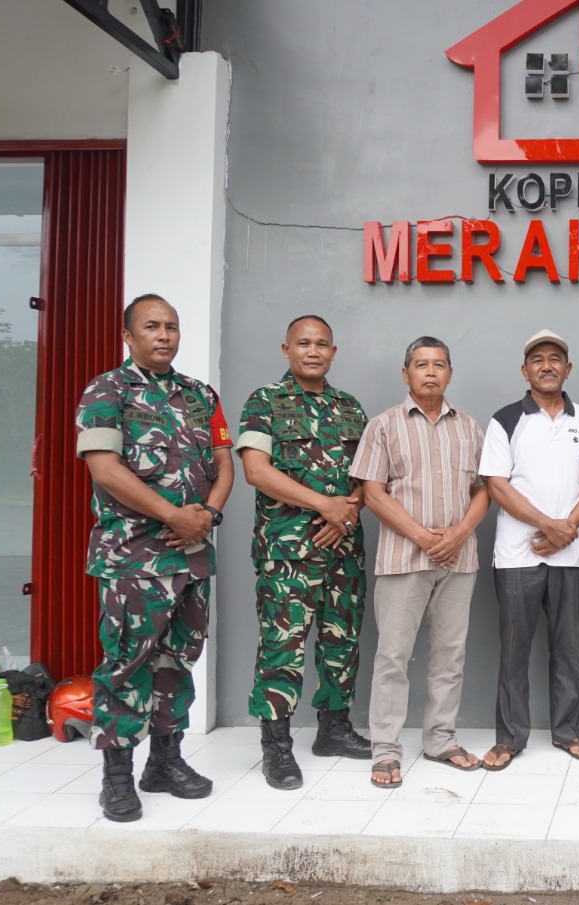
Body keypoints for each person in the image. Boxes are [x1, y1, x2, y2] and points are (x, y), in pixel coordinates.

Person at [74, 293, 235, 822]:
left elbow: (223, 464)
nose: (164, 335)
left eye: (171, 326)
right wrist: (173, 515)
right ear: (128, 335)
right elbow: (105, 468)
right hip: (134, 557)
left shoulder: (200, 394)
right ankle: (117, 777)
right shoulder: (108, 391)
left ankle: (165, 762)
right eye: (151, 326)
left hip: (192, 555)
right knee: (128, 664)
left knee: (177, 660)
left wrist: (207, 515)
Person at [236, 315, 372, 790]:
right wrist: (324, 505)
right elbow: (256, 470)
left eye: (322, 344)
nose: (313, 351)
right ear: (286, 349)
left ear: (333, 352)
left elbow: (368, 477)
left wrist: (346, 511)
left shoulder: (350, 407)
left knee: (342, 641)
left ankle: (334, 730)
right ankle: (276, 747)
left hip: (343, 547)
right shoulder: (265, 401)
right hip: (288, 552)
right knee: (283, 645)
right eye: (303, 343)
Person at [350, 336, 488, 787]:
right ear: (405, 373)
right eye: (421, 364)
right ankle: (385, 749)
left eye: (439, 364)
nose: (431, 372)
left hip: (459, 560)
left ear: (450, 373)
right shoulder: (383, 425)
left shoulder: (469, 427)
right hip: (403, 559)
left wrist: (459, 534)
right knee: (393, 656)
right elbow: (372, 492)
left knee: (450, 655)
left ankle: (440, 740)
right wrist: (424, 537)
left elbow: (484, 490)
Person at [478, 329, 579, 771]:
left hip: (574, 552)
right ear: (524, 370)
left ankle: (569, 732)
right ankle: (509, 738)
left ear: (568, 369)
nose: (546, 366)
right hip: (517, 554)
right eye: (537, 359)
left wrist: (566, 529)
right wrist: (547, 525)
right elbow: (496, 485)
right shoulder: (505, 419)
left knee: (569, 647)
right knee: (514, 649)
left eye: (555, 359)